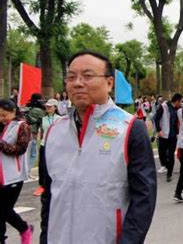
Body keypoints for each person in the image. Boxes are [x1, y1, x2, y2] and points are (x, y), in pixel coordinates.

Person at [40, 51, 157, 243]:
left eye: (87, 76)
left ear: (109, 83)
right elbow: (48, 194)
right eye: (71, 77)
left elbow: (144, 198)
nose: (77, 83)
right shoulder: (54, 130)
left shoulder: (129, 128)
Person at [0, 99, 34, 244]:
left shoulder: (22, 126)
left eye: (4, 115)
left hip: (13, 176)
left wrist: (1, 144)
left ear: (13, 111)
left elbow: (20, 149)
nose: (1, 118)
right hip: (1, 174)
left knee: (4, 209)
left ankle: (24, 229)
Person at [34, 99, 61, 197]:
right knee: (42, 165)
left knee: (54, 165)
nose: (48, 108)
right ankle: (42, 186)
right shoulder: (43, 118)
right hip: (44, 144)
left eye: (50, 106)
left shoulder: (59, 118)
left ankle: (54, 183)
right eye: (47, 106)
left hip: (55, 145)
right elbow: (41, 132)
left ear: (55, 107)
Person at [154, 93, 183, 181]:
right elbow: (156, 118)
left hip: (173, 135)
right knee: (162, 153)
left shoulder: (178, 109)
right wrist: (159, 130)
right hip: (164, 134)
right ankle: (166, 165)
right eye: (180, 101)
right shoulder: (164, 106)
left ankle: (169, 174)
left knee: (171, 155)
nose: (181, 103)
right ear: (177, 101)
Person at [25, 93, 45, 178]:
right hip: (32, 133)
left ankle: (25, 172)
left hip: (24, 132)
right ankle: (27, 172)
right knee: (33, 154)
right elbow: (42, 124)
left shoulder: (27, 108)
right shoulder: (39, 111)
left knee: (26, 154)